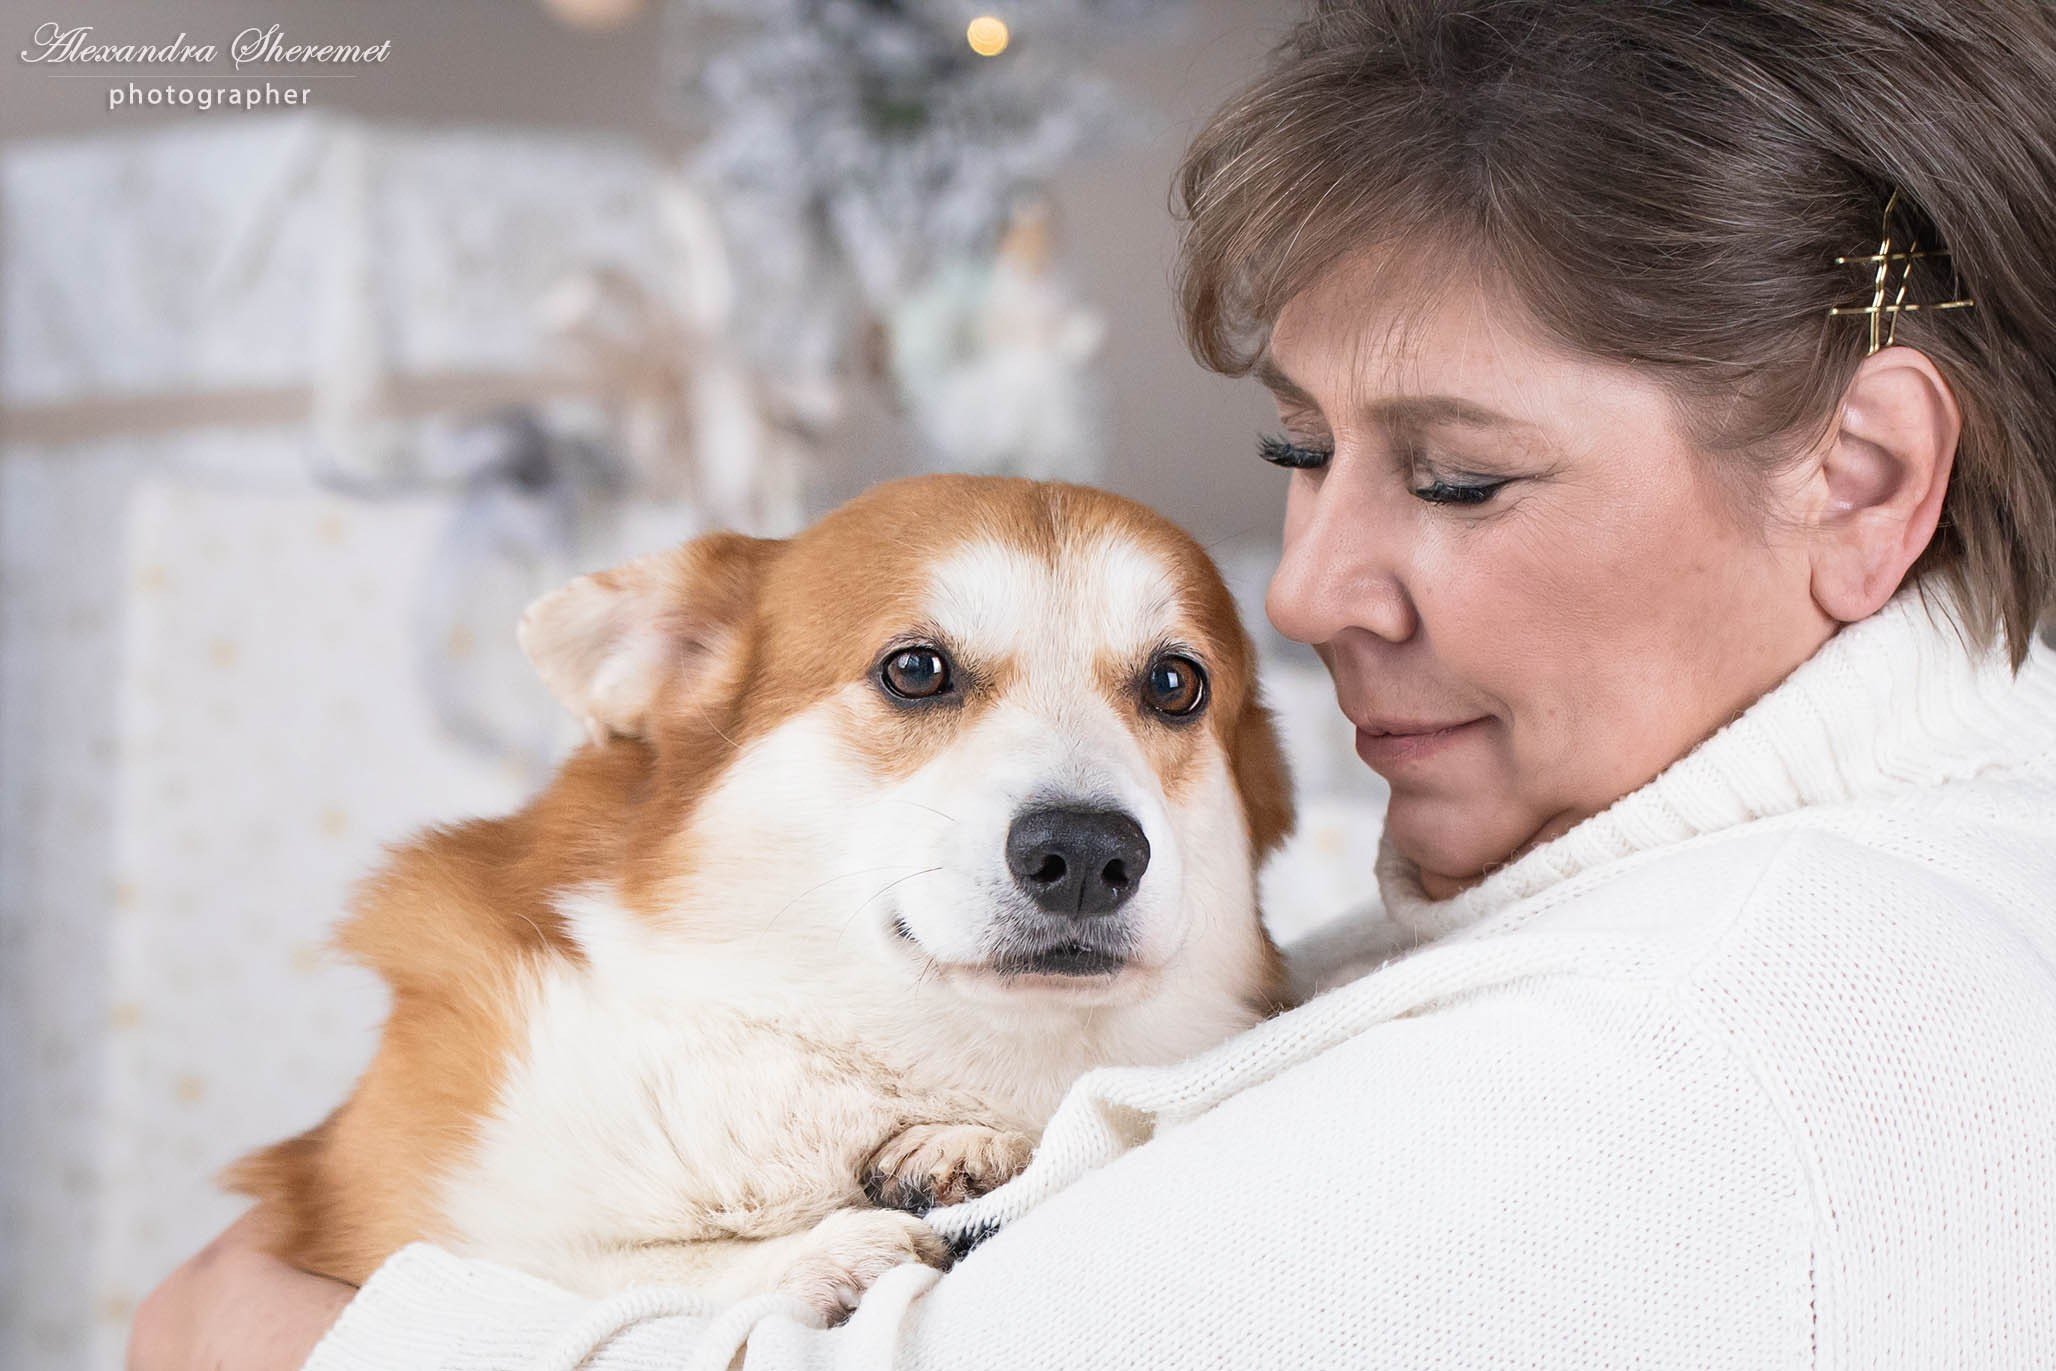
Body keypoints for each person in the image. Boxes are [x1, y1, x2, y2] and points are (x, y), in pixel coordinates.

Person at [132, 1, 2056, 1366]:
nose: (1300, 594)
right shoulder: (1862, 882)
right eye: (1304, 454)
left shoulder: (1663, 1063)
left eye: (1460, 476)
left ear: (1864, 478)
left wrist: (279, 1349)